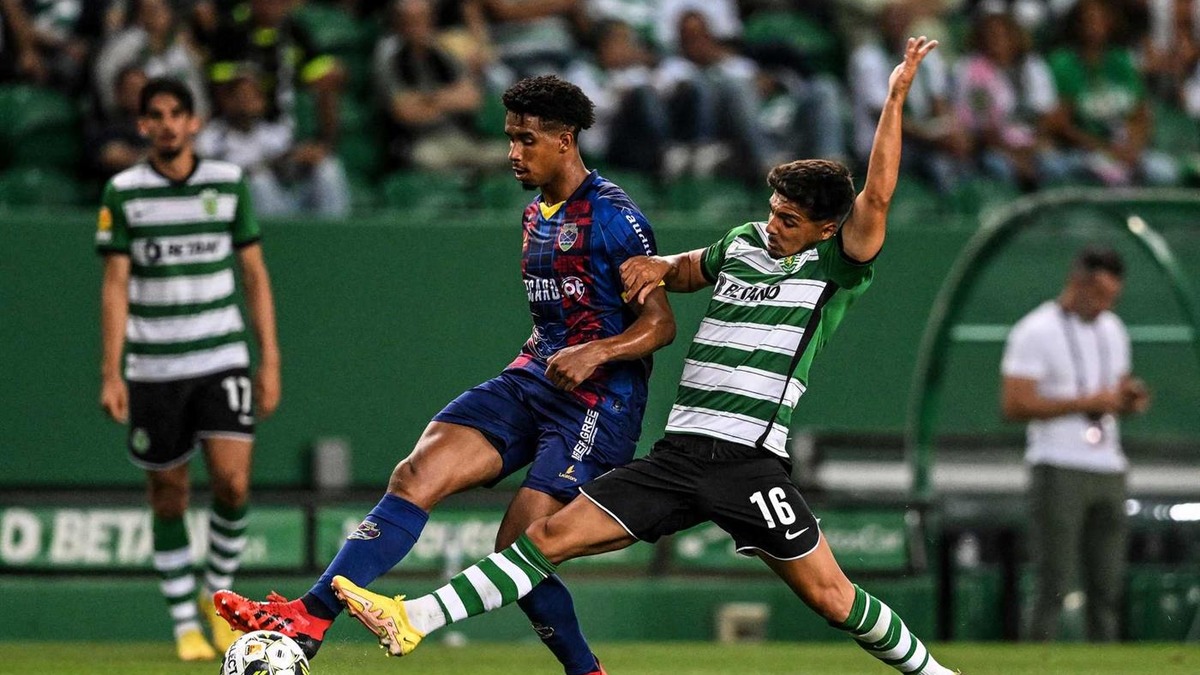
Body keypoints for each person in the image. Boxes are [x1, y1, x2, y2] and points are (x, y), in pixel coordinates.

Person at [329, 37, 960, 675]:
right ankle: (414, 619)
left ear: (826, 229)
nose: (774, 226)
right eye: (773, 212)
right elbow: (689, 269)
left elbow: (877, 197)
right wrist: (660, 265)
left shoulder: (835, 268)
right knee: (544, 538)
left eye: (790, 221)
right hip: (677, 456)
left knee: (831, 598)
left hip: (747, 463)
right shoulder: (745, 243)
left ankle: (934, 673)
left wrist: (894, 97)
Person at [215, 75, 676, 675]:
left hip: (598, 400)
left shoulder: (614, 217)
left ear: (566, 140)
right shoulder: (534, 214)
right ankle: (308, 618)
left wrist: (597, 352)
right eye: (509, 138)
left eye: (527, 140)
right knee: (415, 473)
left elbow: (660, 324)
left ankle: (585, 671)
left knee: (518, 551)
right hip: (534, 377)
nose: (513, 153)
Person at [96, 77, 281, 662]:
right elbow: (115, 285)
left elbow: (254, 274)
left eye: (177, 113)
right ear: (143, 125)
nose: (168, 124)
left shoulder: (227, 183)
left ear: (194, 122)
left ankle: (215, 599)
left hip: (221, 356)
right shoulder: (124, 192)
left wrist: (270, 359)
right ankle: (183, 623)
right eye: (156, 115)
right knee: (169, 494)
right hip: (154, 366)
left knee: (232, 482)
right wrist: (111, 372)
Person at [1000, 246, 1150, 642]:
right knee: (1053, 580)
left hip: (1109, 465)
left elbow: (1116, 388)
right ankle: (1037, 659)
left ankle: (1105, 661)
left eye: (1112, 297)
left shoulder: (1113, 329)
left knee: (1107, 584)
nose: (1104, 305)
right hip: (1057, 464)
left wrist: (1128, 398)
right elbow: (1014, 404)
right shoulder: (1035, 330)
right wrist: (1084, 403)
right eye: (1098, 295)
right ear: (1077, 282)